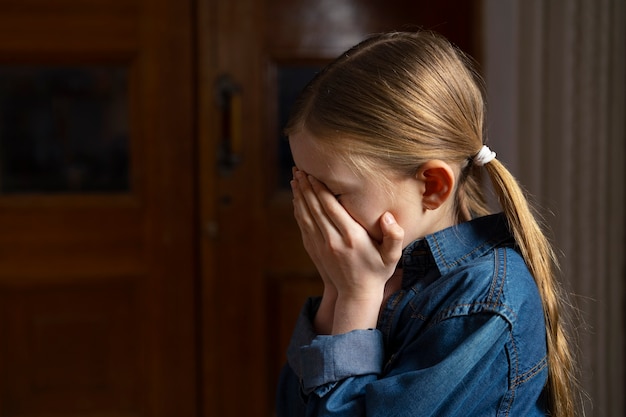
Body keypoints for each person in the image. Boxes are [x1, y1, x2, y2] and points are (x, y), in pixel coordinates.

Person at [275, 31, 579, 417]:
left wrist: (356, 300)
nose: (313, 213)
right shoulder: (374, 266)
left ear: (432, 186)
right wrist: (336, 292)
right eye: (305, 189)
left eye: (332, 195)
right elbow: (292, 407)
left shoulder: (484, 301)